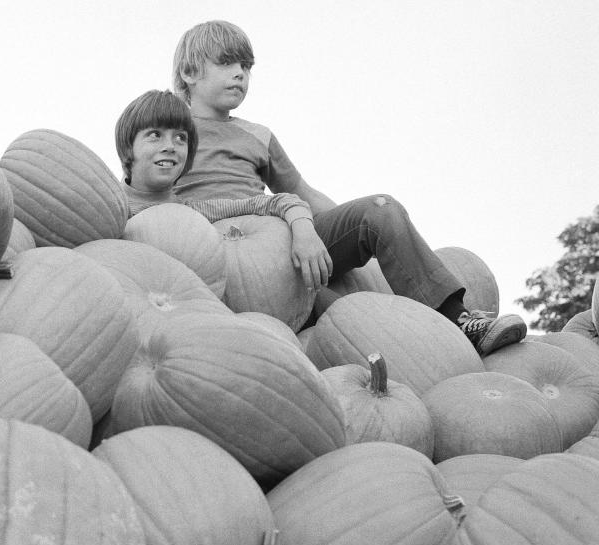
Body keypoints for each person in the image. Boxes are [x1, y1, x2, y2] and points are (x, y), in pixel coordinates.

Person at [168, 19, 527, 356]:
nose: (239, 74)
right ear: (189, 72)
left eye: (246, 67)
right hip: (218, 260)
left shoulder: (258, 136)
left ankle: (459, 321)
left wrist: (357, 235)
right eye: (227, 63)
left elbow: (304, 194)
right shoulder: (169, 132)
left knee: (380, 211)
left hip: (281, 241)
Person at [115, 88, 330, 275]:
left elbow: (277, 202)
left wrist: (304, 230)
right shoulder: (110, 210)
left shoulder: (193, 214)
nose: (170, 146)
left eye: (181, 138)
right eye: (155, 135)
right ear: (127, 146)